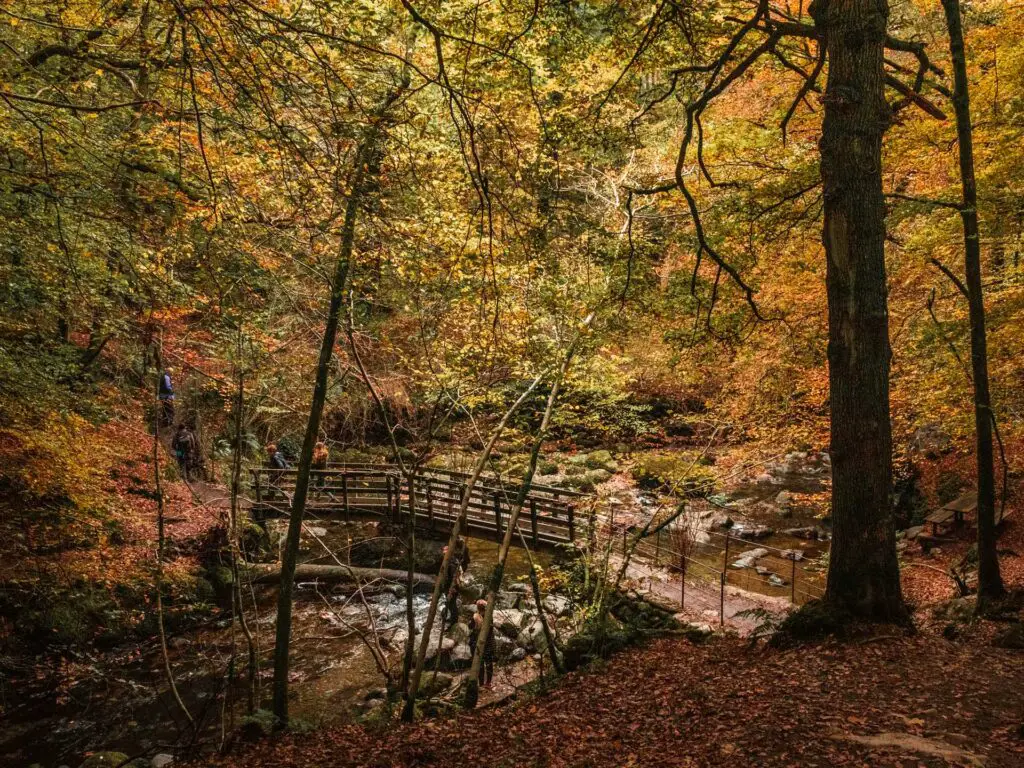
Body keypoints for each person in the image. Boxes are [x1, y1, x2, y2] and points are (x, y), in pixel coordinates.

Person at [471, 599, 495, 689]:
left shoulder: (476, 616)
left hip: (481, 642)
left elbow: (470, 627)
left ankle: (481, 683)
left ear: (478, 608)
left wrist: (474, 619)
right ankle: (488, 682)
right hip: (489, 642)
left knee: (481, 664)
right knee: (488, 663)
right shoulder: (489, 616)